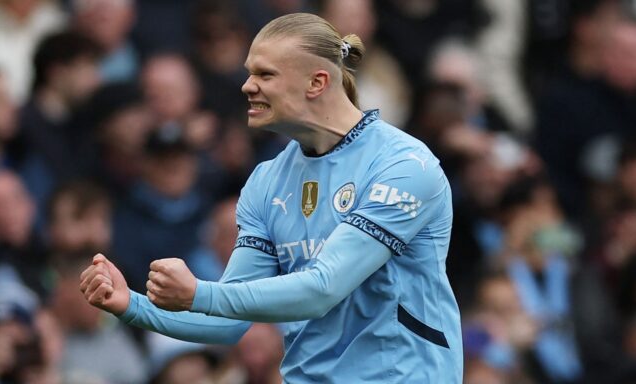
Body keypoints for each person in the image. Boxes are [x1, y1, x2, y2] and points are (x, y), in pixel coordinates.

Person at [81, 13, 463, 382]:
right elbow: (227, 320)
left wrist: (198, 292)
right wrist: (129, 304)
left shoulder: (405, 166)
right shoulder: (267, 180)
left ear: (317, 83)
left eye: (265, 74)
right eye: (250, 72)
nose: (247, 85)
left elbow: (322, 288)